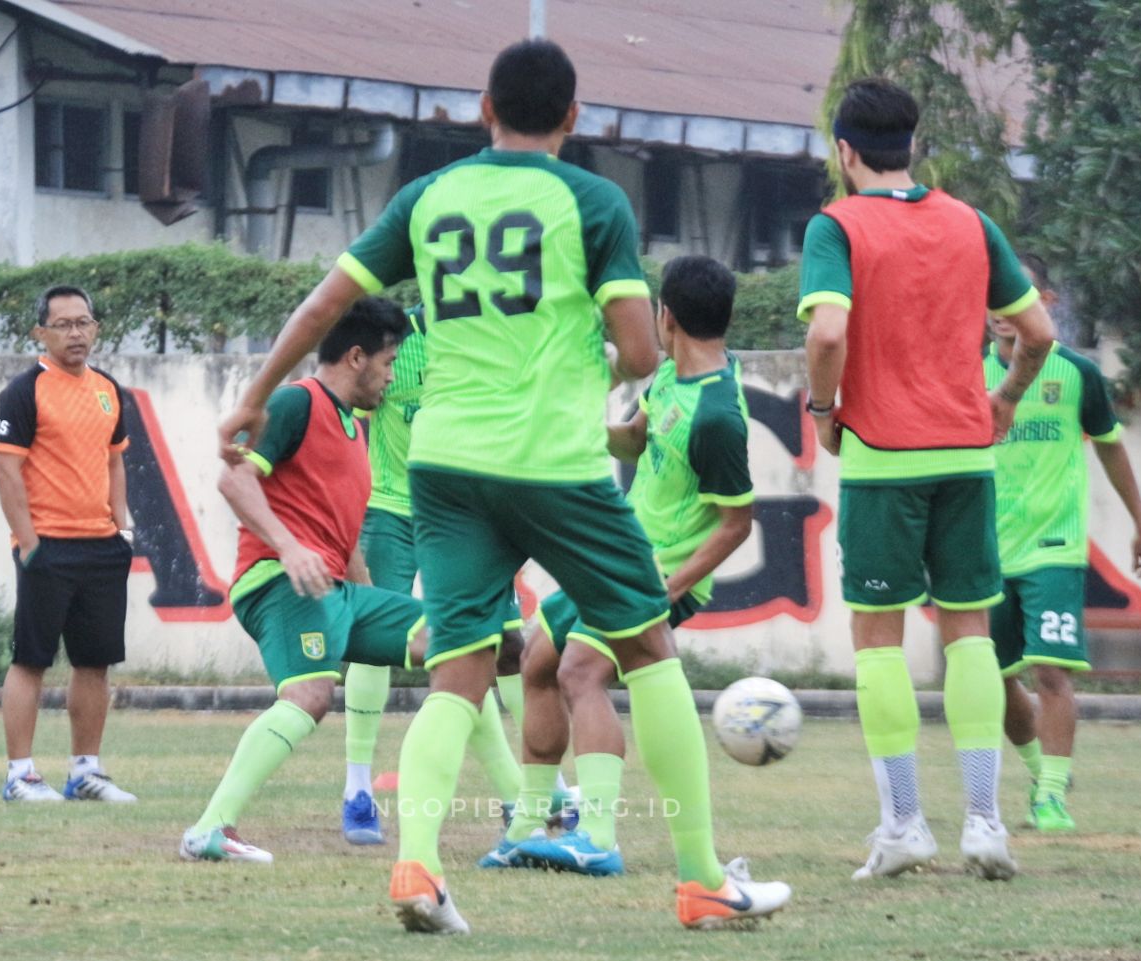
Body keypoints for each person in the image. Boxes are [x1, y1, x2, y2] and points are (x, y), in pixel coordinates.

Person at [218, 39, 790, 934]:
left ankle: (416, 869)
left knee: (458, 669)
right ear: (573, 117)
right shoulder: (592, 200)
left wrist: (255, 395)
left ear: (483, 108)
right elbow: (643, 352)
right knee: (647, 652)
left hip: (446, 470)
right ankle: (702, 878)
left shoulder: (426, 197)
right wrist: (585, 352)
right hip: (552, 465)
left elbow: (328, 303)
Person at [799, 78, 1057, 881]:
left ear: (845, 151)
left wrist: (821, 409)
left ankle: (906, 823)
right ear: (911, 146)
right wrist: (1004, 397)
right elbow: (1038, 330)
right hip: (966, 454)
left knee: (878, 638)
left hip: (883, 456)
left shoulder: (835, 225)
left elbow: (829, 330)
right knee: (969, 630)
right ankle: (986, 822)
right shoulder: (972, 224)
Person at [490, 255, 755, 878]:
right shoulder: (671, 378)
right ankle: (530, 825)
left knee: (581, 671)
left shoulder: (717, 415)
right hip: (616, 556)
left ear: (665, 317)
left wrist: (673, 587)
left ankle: (598, 834)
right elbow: (637, 439)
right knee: (537, 660)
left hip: (657, 577)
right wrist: (578, 425)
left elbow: (738, 523)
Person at [180, 298, 423, 863]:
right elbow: (234, 482)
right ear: (357, 357)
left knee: (465, 643)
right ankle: (210, 828)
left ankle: (529, 806)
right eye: (388, 363)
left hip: (335, 592)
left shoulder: (354, 428)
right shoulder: (295, 403)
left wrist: (369, 598)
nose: (392, 376)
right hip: (276, 582)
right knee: (311, 694)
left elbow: (343, 537)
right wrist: (289, 550)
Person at [343, 306, 527, 846]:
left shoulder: (496, 338)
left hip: (465, 515)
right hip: (390, 511)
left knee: (505, 644)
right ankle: (357, 790)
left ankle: (539, 789)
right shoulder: (394, 341)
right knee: (374, 642)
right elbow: (350, 409)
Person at [986, 255, 1141, 833]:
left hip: (1053, 547)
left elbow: (1109, 445)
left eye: (1018, 298)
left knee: (1052, 673)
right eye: (997, 299)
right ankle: (1041, 771)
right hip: (985, 551)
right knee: (995, 678)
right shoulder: (962, 375)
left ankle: (1052, 798)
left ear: (1045, 305)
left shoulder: (1076, 373)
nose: (1004, 311)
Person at [0, 284, 137, 803]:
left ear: (96, 328)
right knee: (31, 659)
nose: (76, 333)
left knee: (94, 662)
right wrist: (29, 542)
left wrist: (121, 529)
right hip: (46, 547)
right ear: (41, 332)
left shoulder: (108, 390)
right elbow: (6, 471)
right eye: (64, 324)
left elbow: (115, 459)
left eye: (85, 323)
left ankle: (85, 771)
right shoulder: (24, 391)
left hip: (101, 547)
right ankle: (21, 775)